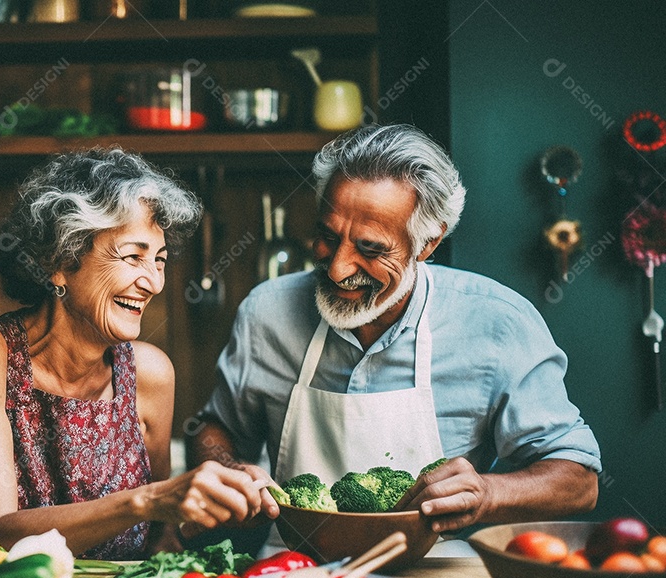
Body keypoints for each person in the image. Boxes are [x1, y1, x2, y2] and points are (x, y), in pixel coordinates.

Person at [188, 124, 600, 553]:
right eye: (328, 237)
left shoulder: (497, 324)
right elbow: (216, 428)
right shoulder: (266, 313)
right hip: (290, 568)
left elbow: (580, 480)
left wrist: (489, 493)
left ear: (428, 242)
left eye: (370, 249)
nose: (337, 270)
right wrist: (228, 468)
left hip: (437, 574)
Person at [0, 148, 277, 561]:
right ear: (60, 262)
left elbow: (159, 536)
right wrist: (148, 499)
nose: (153, 282)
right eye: (133, 256)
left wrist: (219, 504)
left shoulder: (150, 374)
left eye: (159, 261)